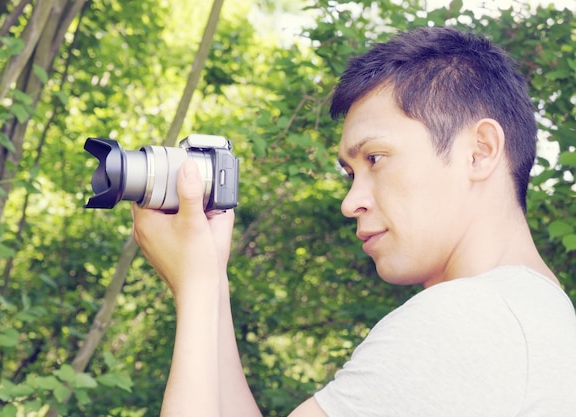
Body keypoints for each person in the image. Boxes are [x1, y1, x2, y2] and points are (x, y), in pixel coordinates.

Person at [131, 27, 576, 416]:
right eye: (350, 172)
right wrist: (209, 281)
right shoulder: (534, 314)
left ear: (479, 151)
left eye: (375, 158)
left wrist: (195, 290)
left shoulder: (470, 321)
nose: (351, 202)